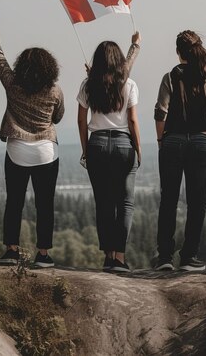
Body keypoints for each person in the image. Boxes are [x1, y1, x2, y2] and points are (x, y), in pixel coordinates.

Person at [0, 11, 64, 269]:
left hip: (17, 149)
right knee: (45, 203)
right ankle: (43, 254)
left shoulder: (12, 84)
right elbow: (59, 116)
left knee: (15, 200)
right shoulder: (54, 90)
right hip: (45, 151)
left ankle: (11, 249)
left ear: (22, 66)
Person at [152, 31, 206, 272]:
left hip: (172, 142)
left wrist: (161, 140)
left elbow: (160, 112)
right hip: (201, 142)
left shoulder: (170, 77)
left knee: (168, 200)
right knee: (197, 202)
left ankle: (165, 258)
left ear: (178, 52)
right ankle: (189, 257)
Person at [77, 33, 142, 273]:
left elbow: (81, 120)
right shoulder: (129, 84)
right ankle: (120, 258)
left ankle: (107, 255)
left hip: (97, 144)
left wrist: (86, 149)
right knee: (125, 203)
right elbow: (133, 120)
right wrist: (139, 148)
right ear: (119, 61)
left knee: (103, 202)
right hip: (124, 144)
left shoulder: (88, 85)